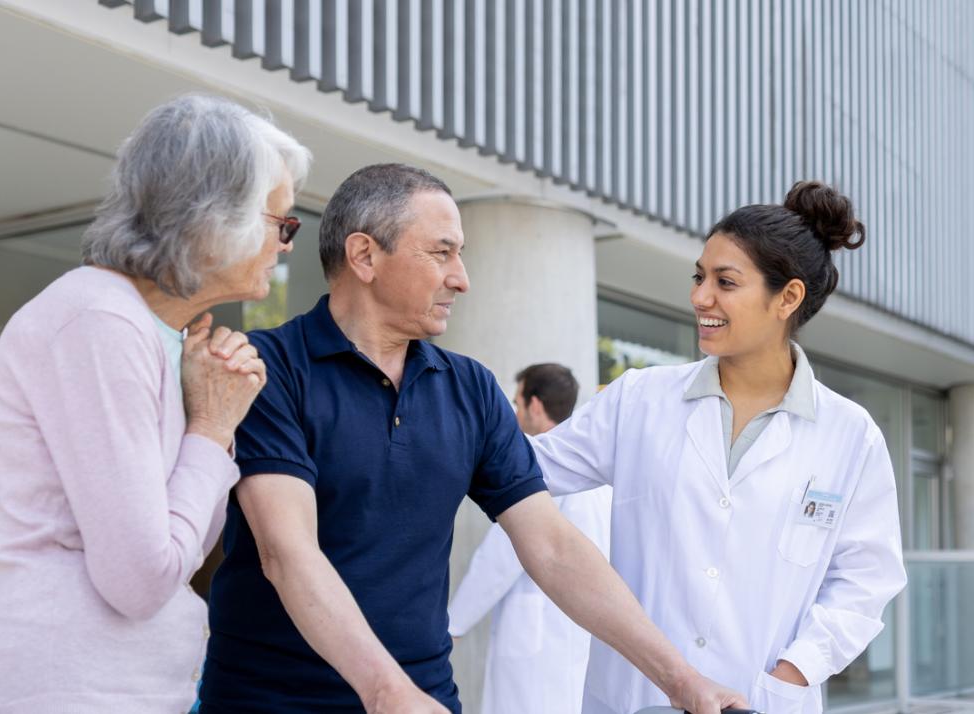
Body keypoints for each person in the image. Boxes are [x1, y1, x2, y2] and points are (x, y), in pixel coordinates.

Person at [197, 163, 743, 713]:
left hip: (426, 697)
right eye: (441, 252)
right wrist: (388, 695)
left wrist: (680, 681)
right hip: (272, 700)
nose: (461, 277)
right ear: (364, 256)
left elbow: (551, 547)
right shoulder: (268, 368)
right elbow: (287, 553)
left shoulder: (471, 389)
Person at [0, 94, 310, 712]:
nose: (285, 245)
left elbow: (181, 549)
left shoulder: (147, 331)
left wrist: (213, 425)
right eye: (281, 222)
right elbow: (141, 580)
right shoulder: (98, 321)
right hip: (70, 689)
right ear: (214, 219)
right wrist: (212, 425)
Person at [531, 181, 909, 714]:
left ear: (789, 297)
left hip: (761, 697)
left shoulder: (850, 434)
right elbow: (527, 469)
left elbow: (867, 579)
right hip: (637, 696)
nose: (699, 297)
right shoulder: (640, 399)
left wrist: (793, 672)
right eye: (699, 276)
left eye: (725, 282)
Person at [447, 363, 613, 714]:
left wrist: (453, 624)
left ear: (535, 406)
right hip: (584, 633)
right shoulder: (597, 473)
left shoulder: (536, 467)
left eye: (517, 403)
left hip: (538, 636)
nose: (516, 413)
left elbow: (500, 559)